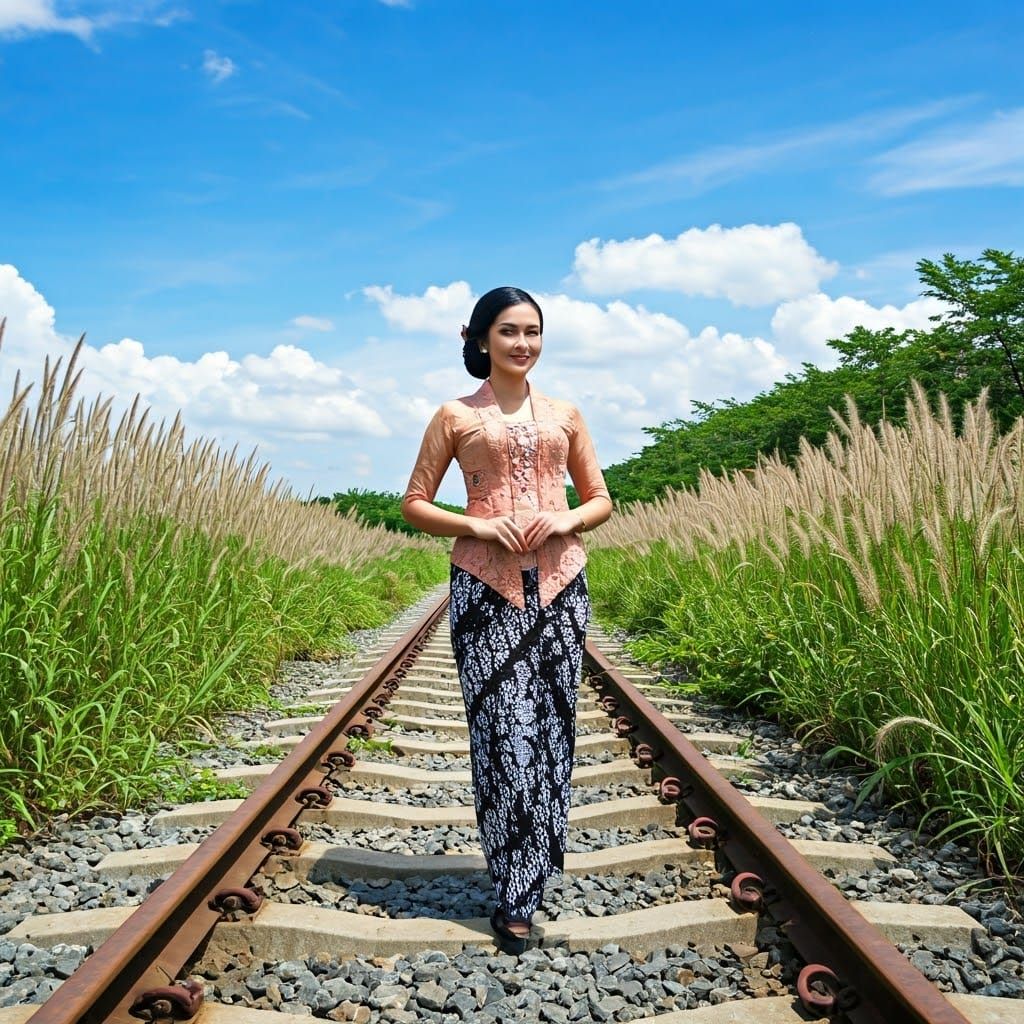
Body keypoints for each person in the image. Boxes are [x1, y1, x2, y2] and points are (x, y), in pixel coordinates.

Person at [401, 286, 613, 953]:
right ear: (482, 339)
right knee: (503, 732)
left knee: (551, 730)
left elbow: (601, 497)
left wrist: (569, 517)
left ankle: (533, 870)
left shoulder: (566, 414)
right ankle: (515, 886)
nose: (523, 344)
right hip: (484, 589)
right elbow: (414, 502)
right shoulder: (454, 416)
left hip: (561, 585)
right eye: (509, 332)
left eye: (533, 332)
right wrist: (479, 526)